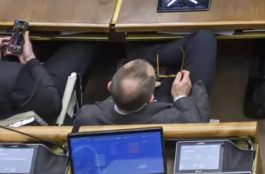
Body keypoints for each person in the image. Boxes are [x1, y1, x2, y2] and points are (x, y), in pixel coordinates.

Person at [73, 32, 216, 125]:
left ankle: (139, 53)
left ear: (110, 86)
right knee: (204, 37)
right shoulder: (173, 119)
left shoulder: (86, 116)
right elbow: (195, 122)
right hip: (169, 103)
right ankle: (142, 53)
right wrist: (181, 97)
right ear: (150, 98)